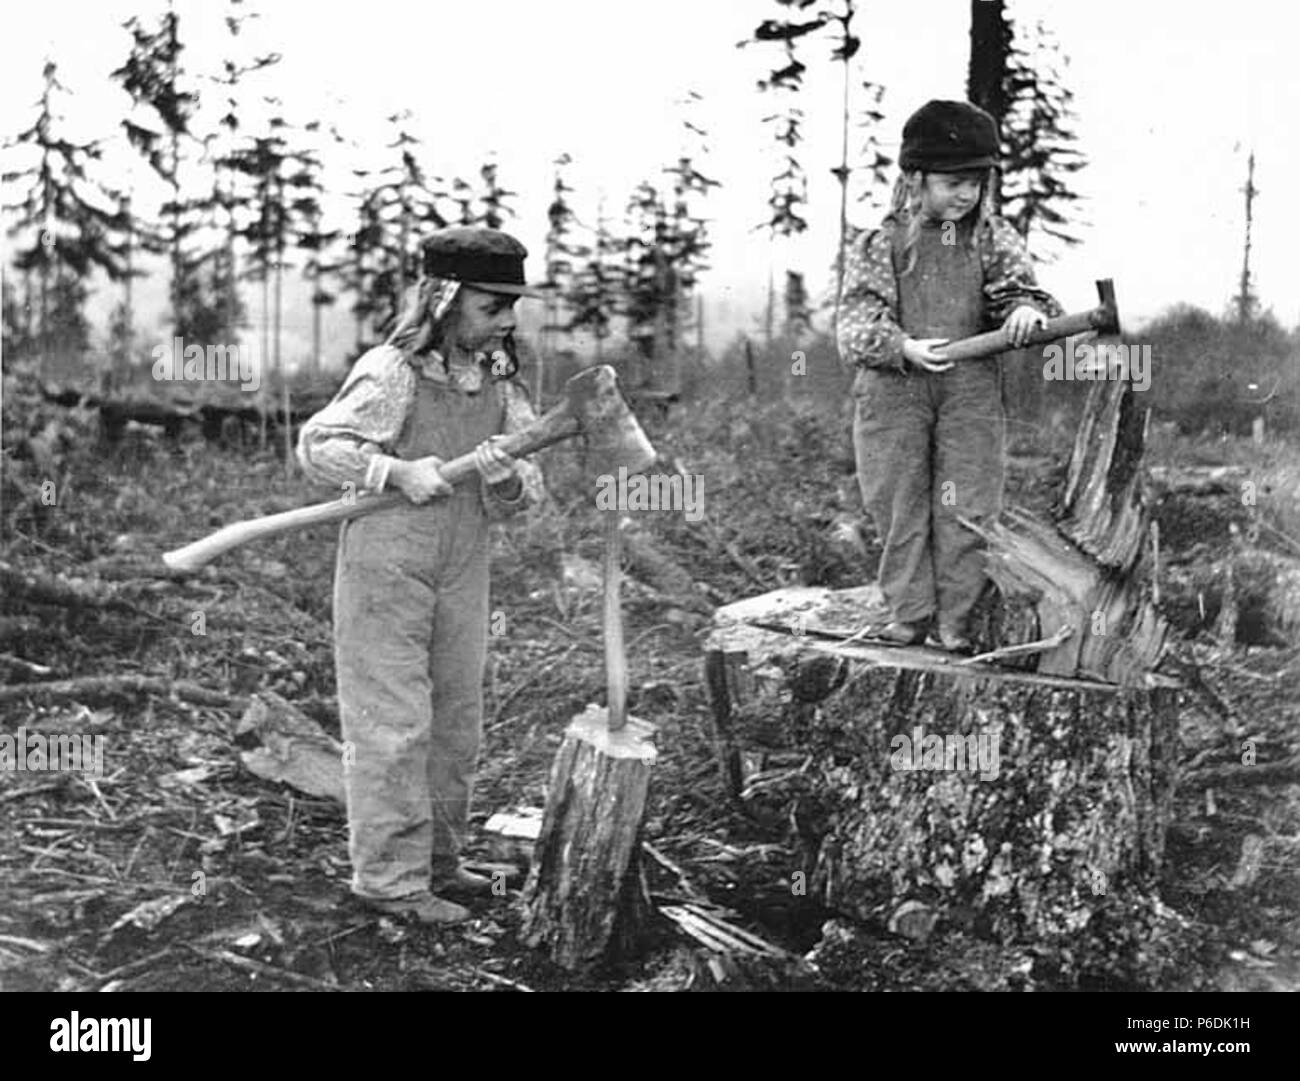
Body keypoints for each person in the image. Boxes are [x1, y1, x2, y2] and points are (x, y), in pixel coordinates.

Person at [297, 226, 546, 924]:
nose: (505, 322)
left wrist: (503, 481)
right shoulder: (393, 370)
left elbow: (532, 487)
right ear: (444, 299)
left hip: (464, 562)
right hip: (386, 561)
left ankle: (439, 860)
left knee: (455, 720)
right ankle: (388, 878)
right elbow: (319, 444)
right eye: (492, 306)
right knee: (393, 723)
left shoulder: (498, 379)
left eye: (511, 309)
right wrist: (393, 469)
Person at [837, 99, 1063, 651]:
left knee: (967, 503)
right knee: (899, 503)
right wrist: (903, 346)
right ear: (915, 179)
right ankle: (909, 613)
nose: (965, 195)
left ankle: (956, 622)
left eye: (976, 183)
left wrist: (1023, 313)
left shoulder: (992, 237)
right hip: (894, 392)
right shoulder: (879, 244)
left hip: (969, 391)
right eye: (953, 182)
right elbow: (855, 323)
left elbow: (1019, 292)